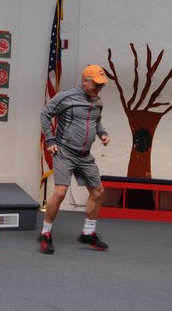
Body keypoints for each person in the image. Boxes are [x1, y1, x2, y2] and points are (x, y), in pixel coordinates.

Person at [38, 64, 110, 254]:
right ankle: (45, 233)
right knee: (60, 193)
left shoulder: (98, 101)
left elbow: (97, 120)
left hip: (85, 156)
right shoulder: (66, 96)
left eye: (101, 85)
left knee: (98, 192)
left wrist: (102, 133)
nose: (99, 89)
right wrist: (50, 140)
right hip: (65, 152)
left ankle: (88, 233)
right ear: (85, 81)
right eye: (96, 85)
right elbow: (45, 114)